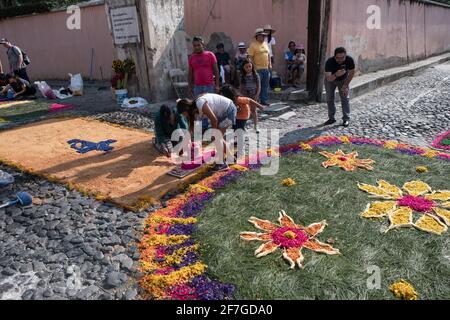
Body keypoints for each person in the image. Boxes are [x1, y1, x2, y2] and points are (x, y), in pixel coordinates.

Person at [177, 94, 237, 172]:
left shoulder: (200, 103)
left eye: (183, 113)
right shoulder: (195, 112)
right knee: (218, 138)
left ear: (186, 109)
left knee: (216, 137)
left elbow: (214, 120)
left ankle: (222, 164)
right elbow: (190, 130)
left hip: (229, 110)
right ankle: (231, 158)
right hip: (222, 113)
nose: (184, 116)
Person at [324, 47, 356, 128]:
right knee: (329, 98)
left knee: (345, 98)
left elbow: (352, 73)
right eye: (338, 58)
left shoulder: (349, 60)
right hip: (331, 79)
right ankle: (331, 118)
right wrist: (336, 74)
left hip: (343, 80)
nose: (340, 60)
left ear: (345, 56)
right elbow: (328, 78)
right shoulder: (329, 62)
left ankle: (346, 119)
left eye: (342, 57)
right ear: (334, 56)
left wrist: (345, 85)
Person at [248, 28, 271, 106]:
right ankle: (255, 102)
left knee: (265, 86)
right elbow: (250, 57)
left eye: (264, 36)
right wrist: (253, 67)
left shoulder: (265, 44)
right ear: (257, 36)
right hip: (257, 69)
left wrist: (270, 63)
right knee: (257, 87)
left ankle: (263, 101)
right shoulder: (253, 45)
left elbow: (268, 55)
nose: (264, 37)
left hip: (266, 69)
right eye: (262, 36)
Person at [239, 59, 261, 132]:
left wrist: (257, 95)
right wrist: (241, 96)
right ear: (243, 68)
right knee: (245, 111)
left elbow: (258, 86)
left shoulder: (256, 75)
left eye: (250, 66)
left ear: (252, 66)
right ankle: (243, 126)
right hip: (245, 95)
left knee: (254, 111)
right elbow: (241, 87)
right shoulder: (242, 76)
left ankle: (255, 126)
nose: (248, 68)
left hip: (253, 95)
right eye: (246, 67)